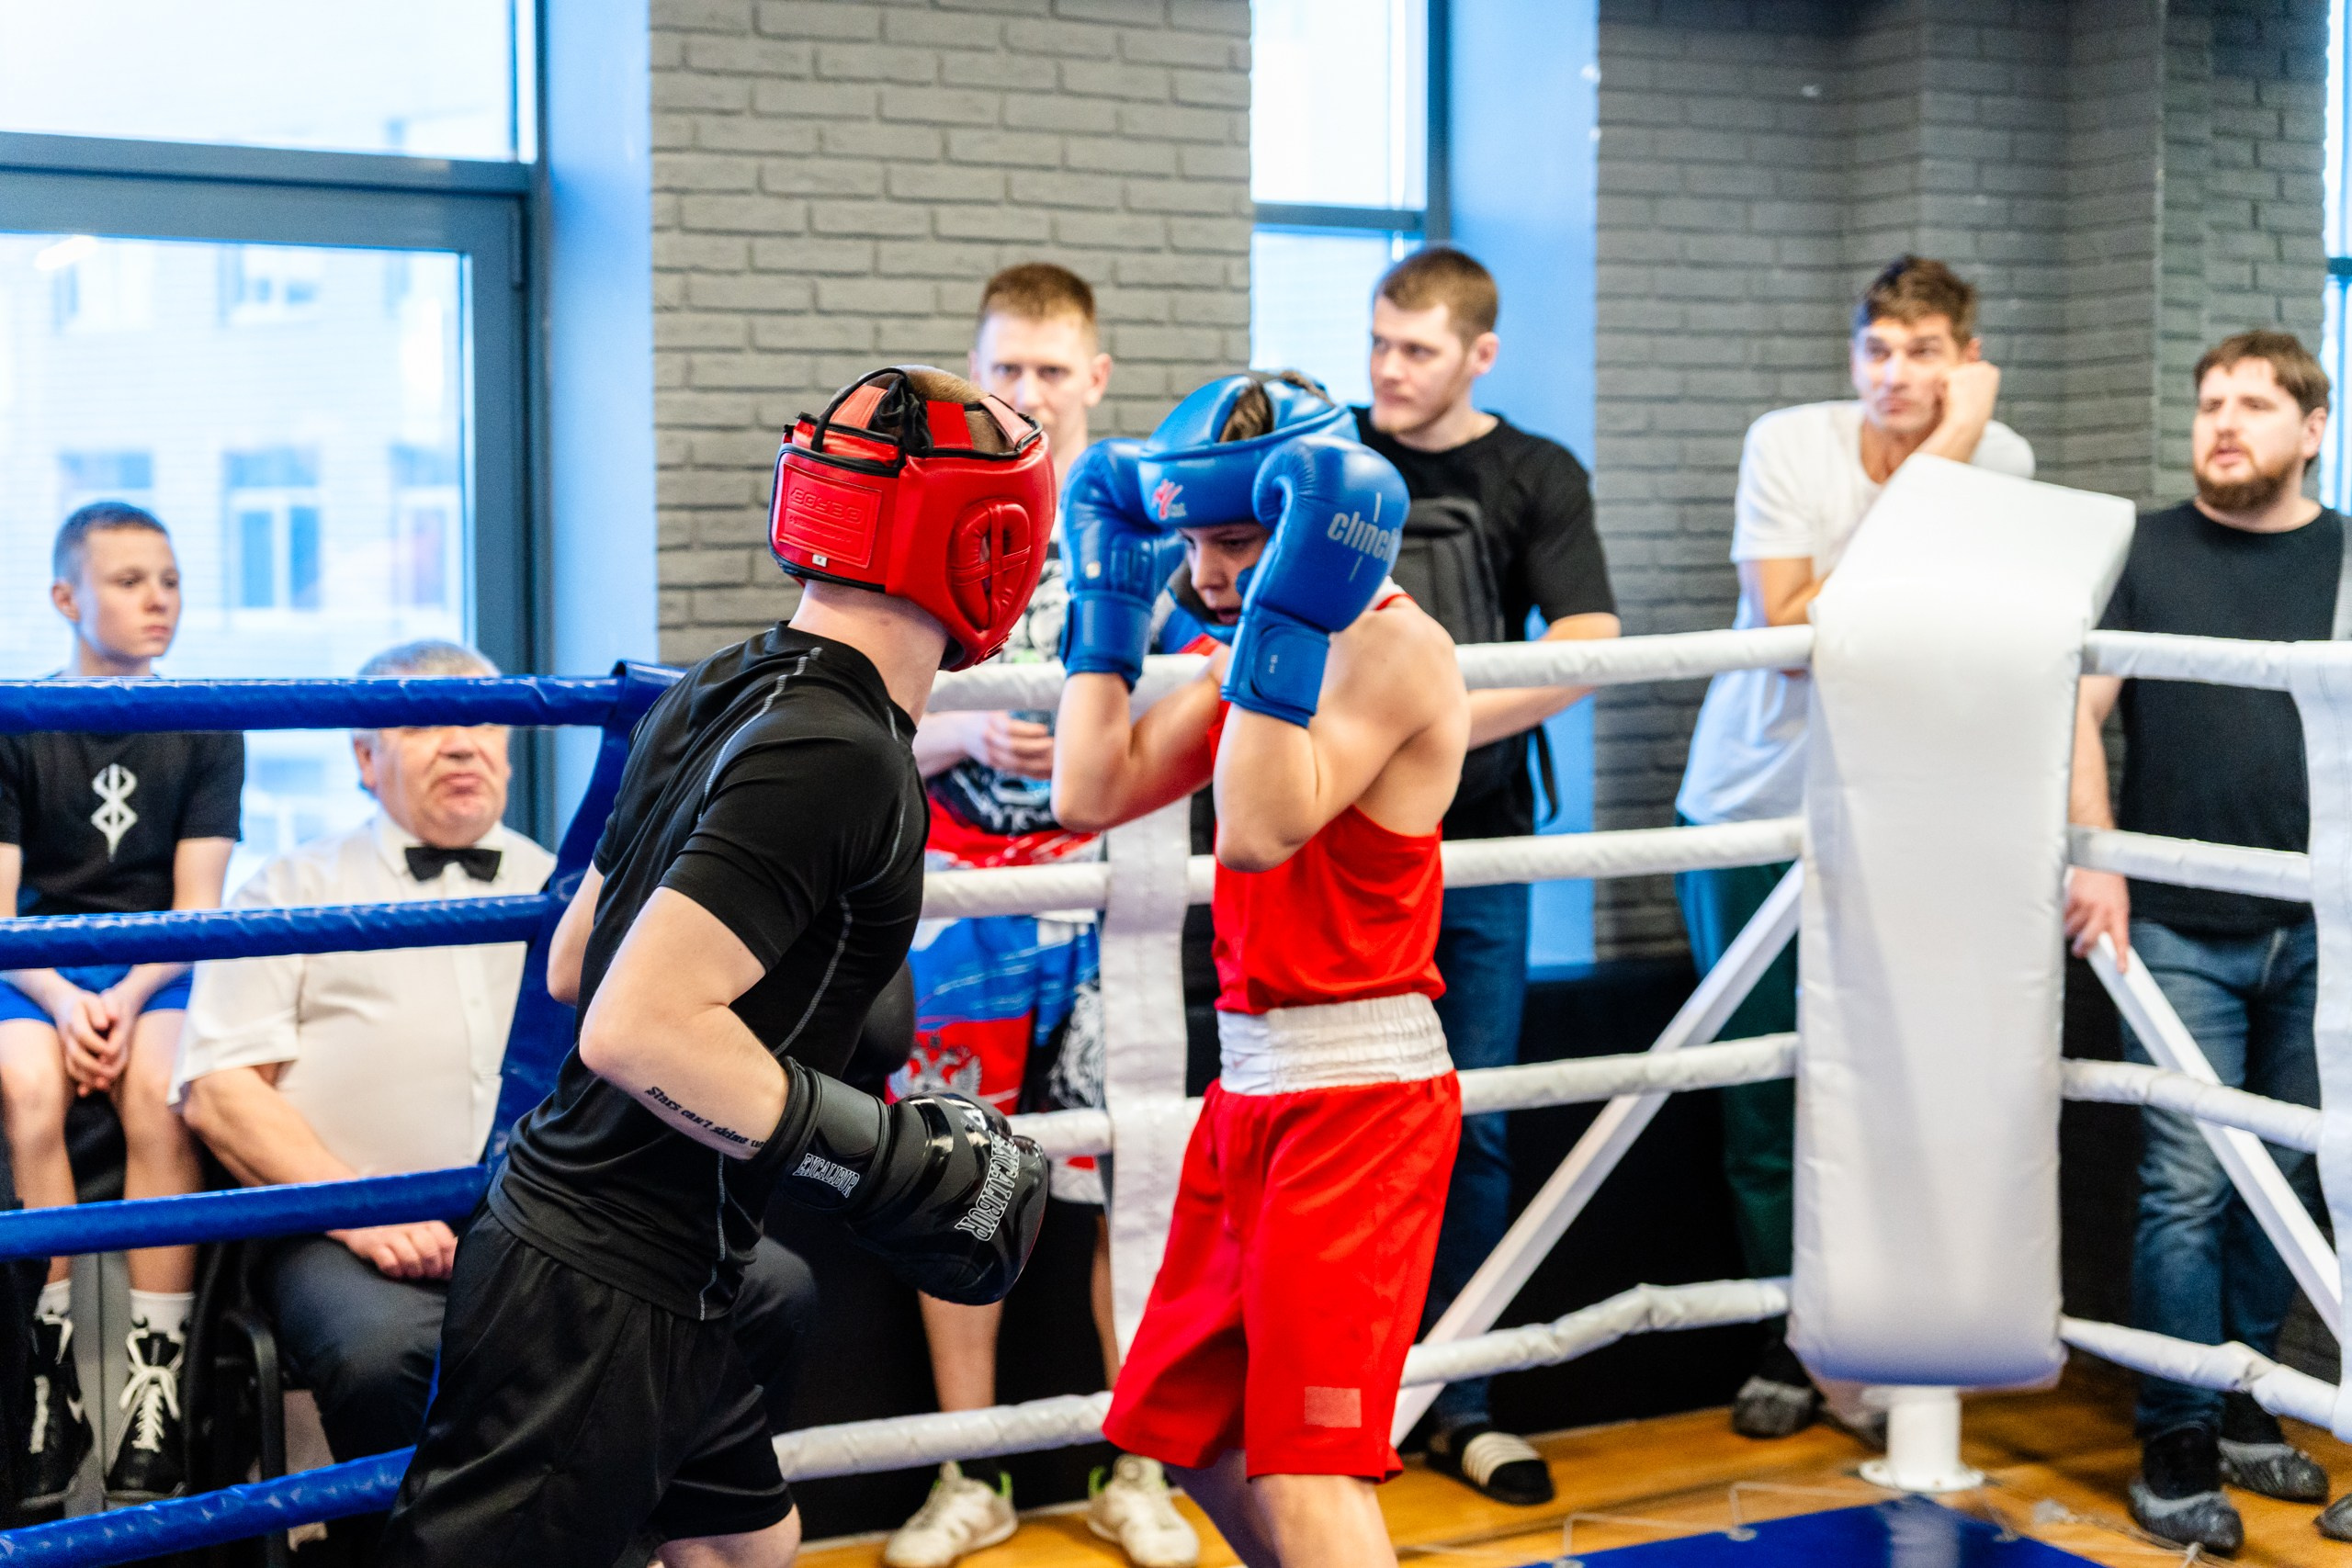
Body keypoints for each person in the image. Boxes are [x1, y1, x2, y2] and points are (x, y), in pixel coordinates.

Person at [375, 367, 1053, 1568]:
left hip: (667, 1252)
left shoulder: (721, 682)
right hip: (606, 1276)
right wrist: (881, 1155)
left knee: (748, 1543)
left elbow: (580, 957)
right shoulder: (840, 754)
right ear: (986, 541)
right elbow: (630, 1026)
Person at [170, 639, 821, 1562]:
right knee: (386, 1357)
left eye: (481, 720)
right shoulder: (287, 886)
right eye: (426, 723)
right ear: (363, 758)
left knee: (773, 1288)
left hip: (559, 1217)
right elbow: (221, 1092)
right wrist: (361, 1214)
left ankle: (627, 1525)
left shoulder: (575, 892)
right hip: (349, 1230)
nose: (463, 744)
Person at [1053, 372, 1471, 1568]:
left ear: (1317, 520)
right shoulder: (1247, 653)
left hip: (1357, 1102)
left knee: (1309, 1457)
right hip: (1254, 1094)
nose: (1213, 569)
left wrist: (1273, 626)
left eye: (1237, 538)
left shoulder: (1395, 649)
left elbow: (1258, 825)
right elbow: (1089, 790)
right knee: (1195, 1428)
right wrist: (1108, 610)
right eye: (1190, 538)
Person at [1670, 255, 2032, 1439]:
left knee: (1888, 1083)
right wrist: (1938, 465)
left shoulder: (2009, 463)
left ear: (1964, 361)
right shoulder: (1790, 443)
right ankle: (1786, 1339)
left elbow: (1942, 638)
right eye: (1877, 348)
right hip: (1752, 804)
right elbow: (1789, 634)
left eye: (1925, 351)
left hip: (1901, 811)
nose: (1896, 373)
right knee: (1761, 1088)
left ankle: (1875, 1331)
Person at [888, 265, 1197, 1568]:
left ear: (1096, 380)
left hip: (1108, 891)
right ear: (974, 372)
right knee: (952, 1185)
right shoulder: (922, 516)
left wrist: (1101, 728)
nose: (1027, 394)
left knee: (1127, 1179)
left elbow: (1205, 688)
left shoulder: (1145, 526)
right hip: (959, 897)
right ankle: (973, 1469)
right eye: (1004, 368)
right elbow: (858, 714)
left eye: (1051, 371)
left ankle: (1140, 1467)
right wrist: (954, 725)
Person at [2064, 331, 2344, 1554]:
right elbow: (2076, 701)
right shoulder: (2141, 546)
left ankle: (2245, 1409)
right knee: (2184, 1178)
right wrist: (2098, 852)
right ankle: (2175, 1433)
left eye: (2252, 404)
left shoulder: (2347, 555)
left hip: (2320, 925)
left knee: (2284, 1173)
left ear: (2313, 427)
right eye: (2208, 405)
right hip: (2175, 916)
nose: (2223, 423)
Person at [1351, 246, 1619, 1505]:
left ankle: (1460, 1392)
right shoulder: (1330, 454)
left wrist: (1432, 713)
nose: (1390, 370)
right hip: (1339, 844)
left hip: (1484, 836)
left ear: (1479, 354)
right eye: (1380, 344)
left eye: (1417, 348)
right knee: (1339, 1121)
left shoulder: (1536, 472)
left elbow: (1584, 648)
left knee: (1478, 1119)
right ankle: (1344, 1391)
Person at [0, 502, 242, 1513]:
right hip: (37, 964)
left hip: (158, 963)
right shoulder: (16, 719)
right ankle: (46, 1381)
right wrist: (61, 1001)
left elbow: (198, 907)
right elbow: (1, 909)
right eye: (129, 580)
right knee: (23, 1085)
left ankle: (157, 1386)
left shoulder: (206, 722)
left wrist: (127, 993)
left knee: (161, 1084)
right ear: (66, 598)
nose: (158, 601)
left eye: (171, 581)